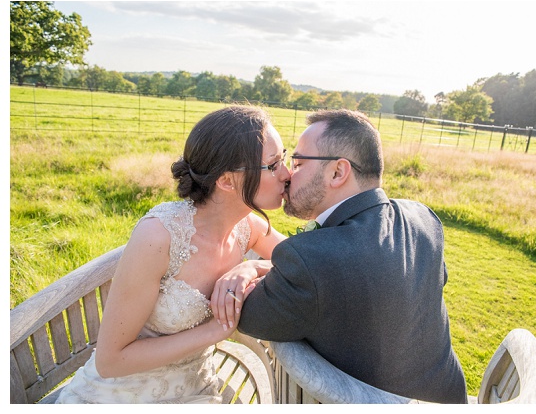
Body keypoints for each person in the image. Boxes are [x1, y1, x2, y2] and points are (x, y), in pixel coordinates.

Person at [212, 109, 468, 403]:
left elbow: (243, 315)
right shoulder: (423, 218)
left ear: (338, 172)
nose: (287, 176)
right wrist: (264, 266)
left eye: (296, 163)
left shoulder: (311, 259)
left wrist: (250, 268)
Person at [56, 105, 290, 403]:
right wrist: (216, 331)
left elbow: (302, 264)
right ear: (227, 181)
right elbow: (110, 360)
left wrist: (249, 269)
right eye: (272, 165)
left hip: (197, 389)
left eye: (284, 157)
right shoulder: (159, 237)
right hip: (124, 394)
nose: (287, 174)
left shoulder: (248, 227)